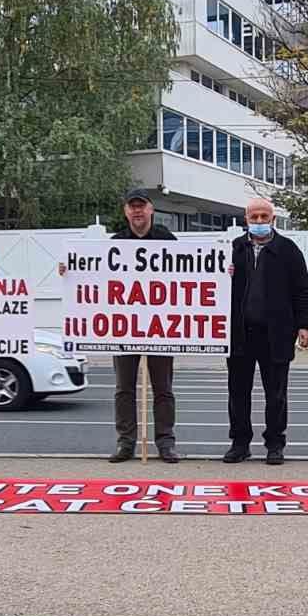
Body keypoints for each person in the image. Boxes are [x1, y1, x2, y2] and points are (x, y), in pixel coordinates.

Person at [58, 186, 180, 463]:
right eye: (132, 206)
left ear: (151, 209)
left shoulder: (167, 239)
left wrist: (221, 271)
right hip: (124, 327)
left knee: (163, 388)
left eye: (142, 205)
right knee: (124, 388)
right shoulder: (115, 242)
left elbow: (195, 271)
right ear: (126, 211)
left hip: (161, 326)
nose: (137, 210)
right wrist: (70, 270)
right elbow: (94, 276)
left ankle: (165, 442)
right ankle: (126, 443)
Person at [225, 196, 308, 466]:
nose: (260, 222)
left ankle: (275, 444)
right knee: (238, 392)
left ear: (273, 219)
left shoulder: (288, 250)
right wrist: (222, 274)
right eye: (255, 217)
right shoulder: (234, 249)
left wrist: (304, 325)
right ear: (246, 220)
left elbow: (302, 290)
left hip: (276, 334)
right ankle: (240, 444)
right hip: (239, 333)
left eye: (265, 217)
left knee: (276, 394)